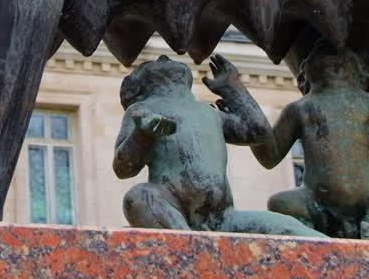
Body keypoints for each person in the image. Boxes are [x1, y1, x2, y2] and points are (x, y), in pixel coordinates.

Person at [114, 54, 323, 237]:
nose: (163, 58)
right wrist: (142, 135)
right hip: (171, 206)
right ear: (139, 86)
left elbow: (257, 132)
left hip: (223, 218)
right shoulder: (140, 110)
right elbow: (123, 168)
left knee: (288, 228)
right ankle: (191, 248)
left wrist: (233, 89)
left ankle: (349, 258)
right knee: (138, 197)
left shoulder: (209, 111)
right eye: (149, 64)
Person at [252, 47, 369, 241]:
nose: (332, 59)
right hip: (314, 203)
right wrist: (251, 115)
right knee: (280, 203)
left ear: (359, 71)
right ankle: (319, 242)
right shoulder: (300, 109)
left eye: (340, 61)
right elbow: (269, 156)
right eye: (322, 55)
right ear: (306, 73)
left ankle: (332, 240)